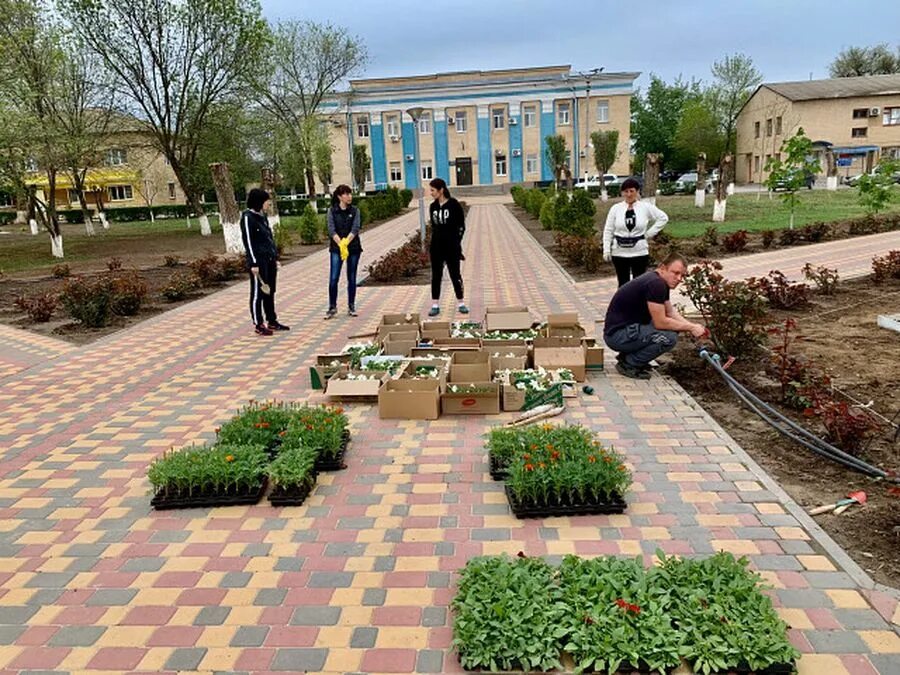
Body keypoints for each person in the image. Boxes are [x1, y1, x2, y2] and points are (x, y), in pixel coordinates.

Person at [603, 252, 706, 379]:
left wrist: (693, 326)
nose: (679, 279)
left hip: (623, 332)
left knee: (672, 329)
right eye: (676, 273)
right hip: (617, 336)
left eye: (682, 275)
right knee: (669, 337)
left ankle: (629, 357)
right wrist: (690, 328)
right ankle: (630, 364)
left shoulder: (659, 281)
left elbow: (670, 312)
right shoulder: (655, 284)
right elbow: (661, 322)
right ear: (663, 268)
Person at [602, 177, 669, 287]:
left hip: (639, 252)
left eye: (632, 191)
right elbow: (608, 230)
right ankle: (624, 304)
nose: (629, 194)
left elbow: (663, 218)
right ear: (622, 193)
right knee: (623, 284)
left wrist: (648, 234)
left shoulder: (645, 207)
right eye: (626, 191)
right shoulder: (615, 209)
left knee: (639, 284)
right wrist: (606, 250)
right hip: (619, 252)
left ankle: (639, 304)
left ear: (637, 192)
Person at [241, 188, 288, 336]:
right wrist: (253, 263)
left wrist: (275, 258)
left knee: (270, 291)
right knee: (258, 293)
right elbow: (248, 242)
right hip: (258, 261)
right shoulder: (248, 217)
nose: (268, 204)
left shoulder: (263, 216)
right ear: (259, 202)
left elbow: (269, 239)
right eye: (267, 201)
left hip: (268, 259)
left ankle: (272, 320)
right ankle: (258, 323)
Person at [427, 177, 468, 317]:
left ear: (441, 190)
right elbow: (434, 226)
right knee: (436, 275)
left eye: (432, 190)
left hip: (452, 247)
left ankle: (461, 303)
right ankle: (435, 304)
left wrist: (457, 242)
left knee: (455, 274)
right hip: (436, 247)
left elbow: (461, 226)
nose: (431, 193)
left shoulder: (454, 205)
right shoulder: (432, 207)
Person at [325, 184, 362, 319]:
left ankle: (351, 305)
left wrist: (347, 242)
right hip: (336, 248)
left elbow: (356, 228)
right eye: (346, 194)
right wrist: (340, 244)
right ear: (340, 196)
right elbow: (331, 229)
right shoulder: (332, 211)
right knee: (334, 278)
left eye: (350, 194)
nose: (349, 196)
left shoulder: (355, 210)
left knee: (351, 277)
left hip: (353, 247)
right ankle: (332, 306)